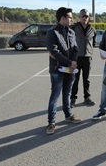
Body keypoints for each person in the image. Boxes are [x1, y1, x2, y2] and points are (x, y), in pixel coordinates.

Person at [45, 7, 81, 135]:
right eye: (70, 17)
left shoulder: (71, 32)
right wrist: (69, 62)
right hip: (57, 69)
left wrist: (73, 63)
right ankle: (51, 123)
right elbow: (54, 52)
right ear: (63, 18)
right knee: (55, 96)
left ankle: (68, 115)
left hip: (70, 68)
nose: (72, 19)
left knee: (67, 94)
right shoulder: (52, 32)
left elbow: (75, 49)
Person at [70, 9, 96, 107]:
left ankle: (87, 98)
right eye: (83, 16)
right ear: (79, 17)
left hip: (87, 58)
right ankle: (73, 98)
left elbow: (92, 43)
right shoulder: (73, 28)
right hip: (76, 58)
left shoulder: (92, 29)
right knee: (75, 79)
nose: (85, 18)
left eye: (86, 16)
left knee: (87, 79)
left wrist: (90, 52)